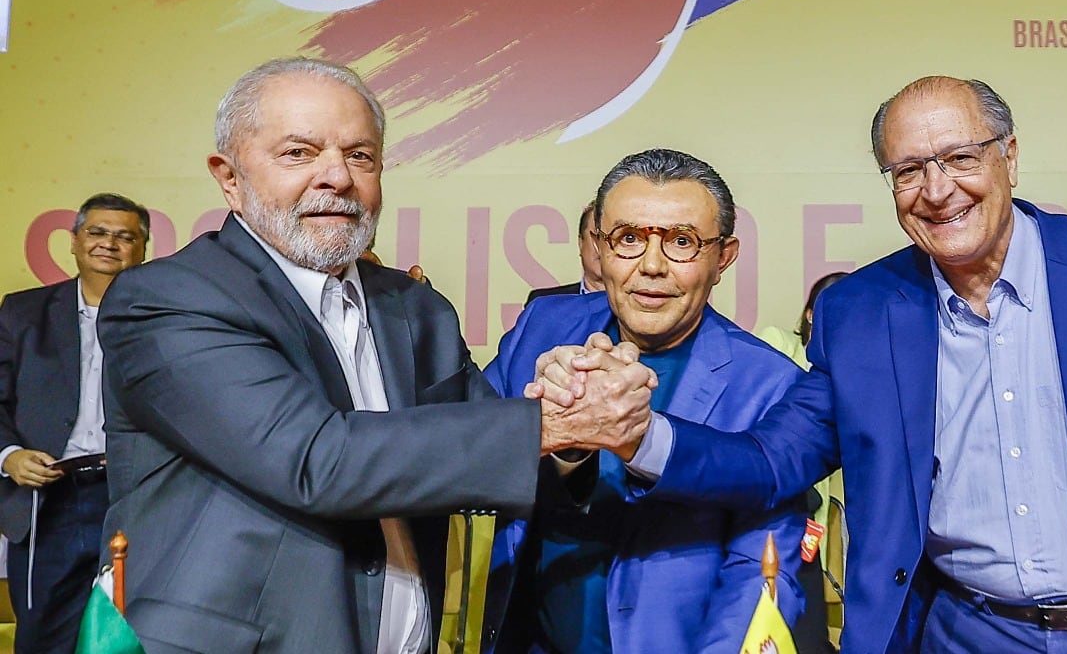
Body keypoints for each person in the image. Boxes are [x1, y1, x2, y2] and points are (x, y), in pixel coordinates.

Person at [534, 76, 1067, 652]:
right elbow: (775, 459)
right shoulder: (863, 311)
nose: (938, 190)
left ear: (1010, 155)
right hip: (960, 630)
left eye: (962, 158)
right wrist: (635, 435)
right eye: (909, 169)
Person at [95, 57, 651, 654]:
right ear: (228, 176)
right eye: (299, 153)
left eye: (360, 155)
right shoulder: (167, 299)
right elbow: (317, 460)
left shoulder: (416, 309)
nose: (336, 177)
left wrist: (570, 422)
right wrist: (546, 425)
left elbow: (493, 465)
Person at [483, 148, 806, 653]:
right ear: (599, 246)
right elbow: (470, 448)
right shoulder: (542, 328)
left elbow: (762, 567)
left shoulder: (769, 384)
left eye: (682, 242)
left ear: (724, 257)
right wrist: (554, 432)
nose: (651, 266)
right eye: (629, 239)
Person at [0, 193, 148, 654]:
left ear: (144, 248)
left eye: (125, 236)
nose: (110, 244)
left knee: (132, 631)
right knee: (44, 636)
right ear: (75, 241)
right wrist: (9, 456)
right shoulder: (22, 313)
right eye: (98, 232)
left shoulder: (163, 318)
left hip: (133, 497)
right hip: (48, 499)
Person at [756, 270, 848, 652]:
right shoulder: (778, 343)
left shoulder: (850, 368)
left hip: (818, 508)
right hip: (770, 505)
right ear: (811, 313)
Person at [525, 203, 605, 304]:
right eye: (597, 237)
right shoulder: (543, 304)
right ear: (581, 243)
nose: (603, 247)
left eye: (614, 238)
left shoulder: (631, 306)